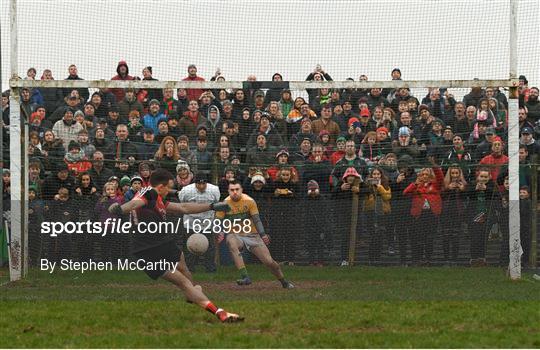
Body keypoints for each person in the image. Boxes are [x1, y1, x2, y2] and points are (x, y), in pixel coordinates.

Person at [108, 168, 243, 323]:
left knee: (182, 263)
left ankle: (192, 294)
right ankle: (220, 312)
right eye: (169, 187)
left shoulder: (156, 197)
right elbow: (134, 203)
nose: (170, 190)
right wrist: (120, 209)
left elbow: (183, 208)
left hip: (161, 243)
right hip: (149, 251)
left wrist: (212, 206)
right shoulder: (149, 194)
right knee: (184, 282)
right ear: (161, 187)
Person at [215, 180, 294, 289]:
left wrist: (263, 234)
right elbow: (217, 221)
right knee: (231, 242)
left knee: (269, 262)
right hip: (236, 234)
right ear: (228, 191)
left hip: (252, 235)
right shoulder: (224, 204)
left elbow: (257, 220)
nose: (235, 192)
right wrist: (219, 231)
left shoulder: (249, 201)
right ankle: (245, 276)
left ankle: (284, 281)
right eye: (232, 190)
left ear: (241, 190)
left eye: (237, 189)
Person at [178, 173, 220, 273]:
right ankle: (189, 269)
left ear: (207, 183)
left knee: (209, 247)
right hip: (190, 221)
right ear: (195, 183)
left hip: (207, 221)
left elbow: (216, 202)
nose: (201, 186)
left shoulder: (214, 190)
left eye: (203, 183)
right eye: (199, 184)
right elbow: (182, 203)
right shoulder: (186, 190)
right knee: (189, 246)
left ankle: (210, 268)